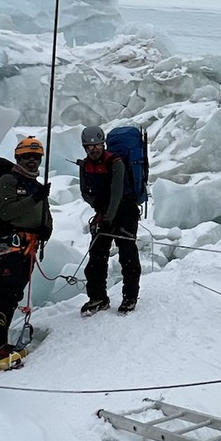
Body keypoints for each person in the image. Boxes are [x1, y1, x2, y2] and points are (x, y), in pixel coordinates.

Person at [0, 136, 52, 372]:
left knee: (11, 296)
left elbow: (42, 212)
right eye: (27, 157)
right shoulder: (7, 181)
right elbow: (4, 212)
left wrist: (46, 228)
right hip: (7, 246)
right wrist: (34, 199)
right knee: (3, 295)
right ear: (18, 158)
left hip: (26, 248)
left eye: (36, 157)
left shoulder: (34, 184)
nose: (32, 161)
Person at [78, 125, 141, 315]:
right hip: (105, 212)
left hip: (124, 209)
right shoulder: (85, 166)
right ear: (85, 148)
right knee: (97, 255)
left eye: (97, 145)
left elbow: (117, 192)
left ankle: (130, 297)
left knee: (127, 253)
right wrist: (98, 207)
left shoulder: (115, 162)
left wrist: (109, 217)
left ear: (103, 144)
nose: (94, 149)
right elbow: (84, 192)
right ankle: (98, 297)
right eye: (90, 147)